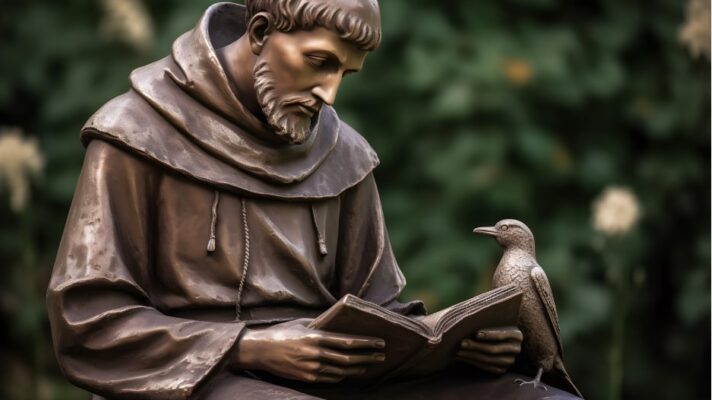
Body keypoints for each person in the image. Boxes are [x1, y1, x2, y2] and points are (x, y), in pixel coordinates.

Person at [47, 1, 580, 399]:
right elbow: (88, 321)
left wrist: (456, 345)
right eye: (318, 61)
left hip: (337, 380)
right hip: (199, 379)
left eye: (344, 73)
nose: (330, 94)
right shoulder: (136, 133)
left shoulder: (343, 154)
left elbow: (380, 315)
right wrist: (248, 346)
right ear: (260, 33)